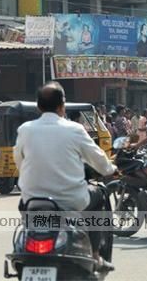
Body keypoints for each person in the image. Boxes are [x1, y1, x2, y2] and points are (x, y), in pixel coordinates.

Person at [14, 82, 116, 270]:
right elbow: (99, 160)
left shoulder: (25, 130)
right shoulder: (74, 129)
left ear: (39, 106)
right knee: (100, 194)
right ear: (62, 106)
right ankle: (95, 255)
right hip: (71, 201)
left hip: (32, 201)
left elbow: (19, 162)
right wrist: (111, 170)